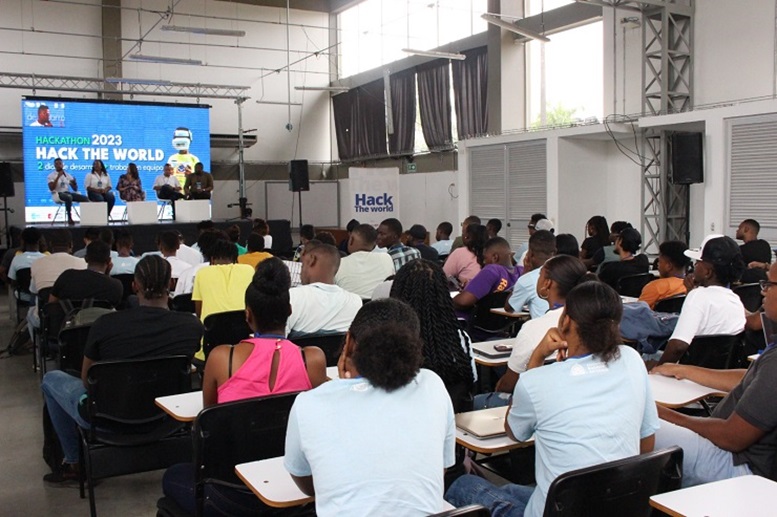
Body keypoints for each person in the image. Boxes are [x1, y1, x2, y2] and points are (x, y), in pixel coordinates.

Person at [446, 282, 660, 517]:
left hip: (561, 507)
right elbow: (646, 440)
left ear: (566, 319)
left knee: (463, 486)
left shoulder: (538, 381)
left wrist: (537, 357)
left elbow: (515, 432)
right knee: (509, 490)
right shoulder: (631, 360)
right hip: (617, 503)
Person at [162, 258, 326, 517]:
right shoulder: (313, 360)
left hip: (230, 495)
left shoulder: (222, 359)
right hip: (294, 491)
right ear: (289, 311)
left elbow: (211, 419)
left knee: (172, 475)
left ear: (247, 314)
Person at [284, 298, 456, 516]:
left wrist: (345, 385)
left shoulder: (308, 404)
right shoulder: (432, 386)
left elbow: (308, 483)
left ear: (349, 342)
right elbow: (437, 471)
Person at [41, 255, 203, 484]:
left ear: (134, 286)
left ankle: (74, 462)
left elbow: (88, 379)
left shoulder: (106, 324)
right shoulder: (191, 326)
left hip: (107, 419)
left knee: (50, 379)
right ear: (171, 285)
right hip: (167, 418)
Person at [651, 261, 777, 487]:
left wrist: (661, 413)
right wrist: (685, 370)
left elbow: (732, 437)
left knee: (636, 423)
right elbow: (751, 378)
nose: (762, 291)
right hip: (732, 449)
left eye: (769, 284)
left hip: (740, 467)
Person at [481, 256, 597, 408]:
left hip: (541, 404)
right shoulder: (594, 321)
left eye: (539, 274)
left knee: (480, 401)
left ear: (547, 284)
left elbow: (510, 383)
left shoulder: (534, 328)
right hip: (582, 398)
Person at [390, 259, 476, 412]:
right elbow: (471, 381)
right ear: (443, 294)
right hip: (451, 419)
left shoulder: (384, 343)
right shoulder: (459, 339)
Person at [653, 235, 747, 366]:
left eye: (698, 262)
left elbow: (677, 347)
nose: (694, 265)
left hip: (688, 374)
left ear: (708, 272)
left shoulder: (698, 296)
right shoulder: (735, 300)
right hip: (714, 376)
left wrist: (658, 369)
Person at [191, 239, 255, 360]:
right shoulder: (248, 270)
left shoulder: (202, 273)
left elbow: (200, 314)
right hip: (244, 346)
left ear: (212, 259)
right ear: (236, 259)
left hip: (210, 349)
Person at [286, 242, 361, 338]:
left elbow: (277, 342)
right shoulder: (355, 302)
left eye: (303, 265)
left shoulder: (291, 297)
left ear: (312, 260)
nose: (301, 272)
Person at [453, 237, 520, 316]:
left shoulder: (492, 270)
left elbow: (463, 302)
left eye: (485, 258)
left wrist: (446, 301)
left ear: (495, 257)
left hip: (471, 322)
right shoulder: (521, 272)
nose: (484, 262)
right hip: (503, 323)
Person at [49, 240, 123, 307]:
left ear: (86, 258)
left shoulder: (66, 276)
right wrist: (107, 275)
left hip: (69, 321)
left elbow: (51, 305)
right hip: (101, 322)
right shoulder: (115, 286)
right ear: (109, 260)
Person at [334, 224, 395, 299]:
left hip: (353, 309)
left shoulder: (338, 263)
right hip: (383, 307)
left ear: (351, 240)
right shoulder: (386, 258)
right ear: (374, 245)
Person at [505, 230, 556, 319]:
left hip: (542, 329)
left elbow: (509, 308)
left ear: (530, 253)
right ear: (555, 252)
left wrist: (525, 273)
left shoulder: (528, 279)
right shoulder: (566, 271)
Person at [639, 240, 689, 309]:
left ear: (668, 266)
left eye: (659, 261)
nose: (657, 264)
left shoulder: (654, 287)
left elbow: (638, 312)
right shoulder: (690, 287)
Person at [443, 223, 487, 287]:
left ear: (467, 237)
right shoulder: (490, 253)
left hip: (468, 294)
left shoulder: (460, 252)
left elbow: (444, 275)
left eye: (463, 233)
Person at [47, 158, 89, 225]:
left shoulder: (67, 175)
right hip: (58, 194)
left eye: (60, 164)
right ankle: (70, 217)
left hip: (67, 192)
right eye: (56, 164)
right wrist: (58, 176)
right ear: (54, 165)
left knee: (85, 198)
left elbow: (75, 189)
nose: (58, 165)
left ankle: (86, 218)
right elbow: (52, 188)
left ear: (62, 165)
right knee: (68, 197)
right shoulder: (51, 176)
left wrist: (74, 183)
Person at [737, 219, 772, 283]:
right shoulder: (764, 245)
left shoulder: (740, 250)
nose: (737, 230)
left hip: (745, 287)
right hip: (763, 285)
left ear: (746, 229)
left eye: (739, 228)